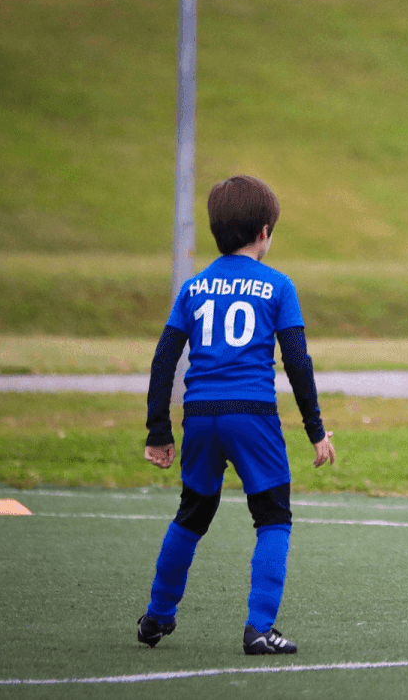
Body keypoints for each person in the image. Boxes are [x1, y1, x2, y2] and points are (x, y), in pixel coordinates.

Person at [136, 175, 337, 655]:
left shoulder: (193, 288)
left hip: (200, 415)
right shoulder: (278, 285)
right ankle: (259, 627)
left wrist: (158, 429)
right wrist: (315, 429)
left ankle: (157, 616)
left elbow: (164, 360)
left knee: (191, 514)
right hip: (252, 416)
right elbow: (297, 362)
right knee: (272, 519)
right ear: (265, 232)